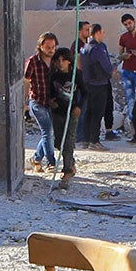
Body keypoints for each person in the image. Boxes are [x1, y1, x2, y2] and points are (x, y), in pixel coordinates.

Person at [23, 31, 60, 171]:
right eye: (48, 47)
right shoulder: (32, 61)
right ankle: (51, 162)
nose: (51, 50)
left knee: (50, 133)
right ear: (41, 46)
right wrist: (25, 103)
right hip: (37, 101)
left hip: (51, 102)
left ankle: (36, 158)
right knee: (47, 131)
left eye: (53, 47)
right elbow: (26, 81)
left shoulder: (56, 60)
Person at [47, 46, 82, 186]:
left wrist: (79, 107)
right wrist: (50, 102)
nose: (61, 63)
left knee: (68, 142)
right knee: (59, 142)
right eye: (58, 60)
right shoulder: (53, 76)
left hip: (71, 112)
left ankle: (67, 171)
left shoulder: (76, 75)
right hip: (57, 113)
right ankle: (71, 163)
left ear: (69, 61)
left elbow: (85, 92)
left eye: (64, 60)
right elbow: (50, 93)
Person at [76, 21, 113, 148]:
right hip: (99, 84)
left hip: (87, 83)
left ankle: (86, 140)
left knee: (88, 112)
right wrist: (111, 70)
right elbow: (107, 66)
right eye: (102, 32)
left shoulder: (84, 48)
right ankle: (94, 141)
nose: (103, 35)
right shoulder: (97, 49)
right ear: (97, 33)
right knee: (97, 113)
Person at [116, 12, 136, 139]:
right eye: (126, 24)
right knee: (131, 102)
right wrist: (125, 56)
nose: (128, 25)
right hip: (127, 72)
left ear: (134, 22)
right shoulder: (123, 38)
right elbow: (120, 54)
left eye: (130, 23)